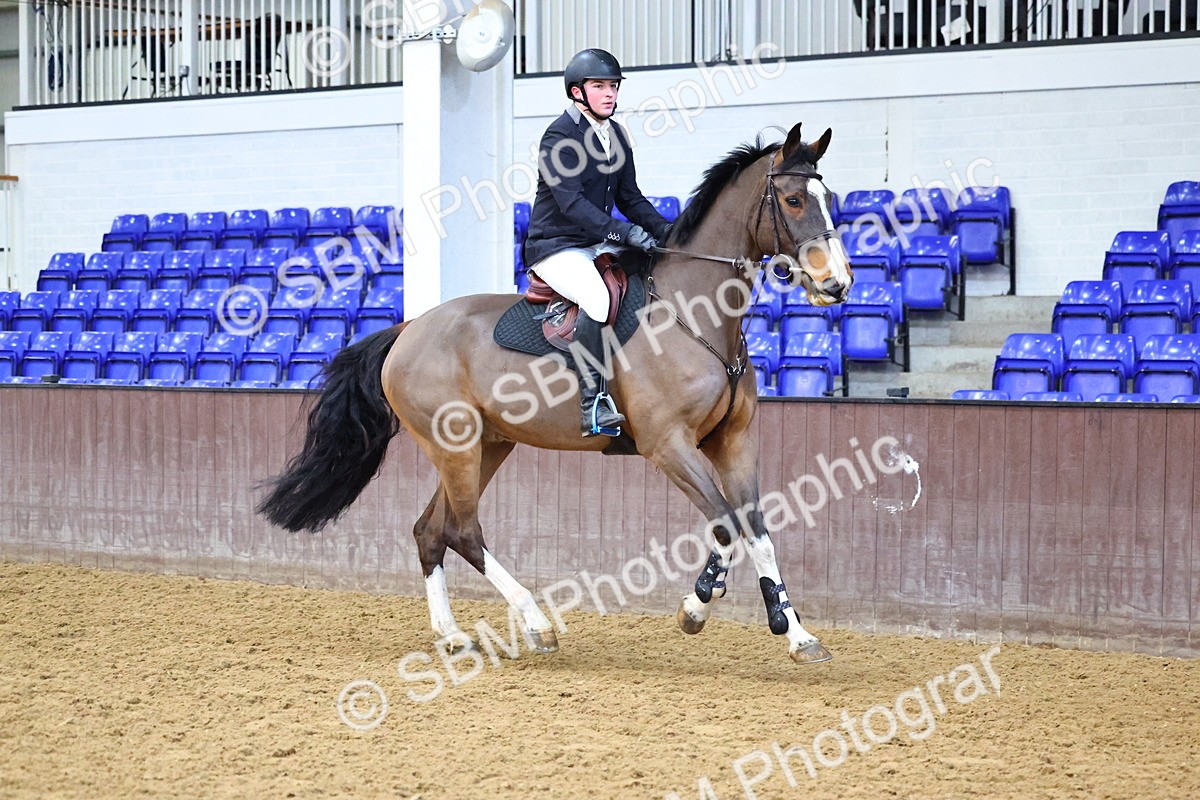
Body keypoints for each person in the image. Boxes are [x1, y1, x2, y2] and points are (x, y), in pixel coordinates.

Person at [523, 48, 673, 437]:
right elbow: (571, 204)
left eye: (613, 86)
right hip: (556, 246)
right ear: (577, 92)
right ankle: (592, 404)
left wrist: (667, 231)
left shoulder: (616, 134)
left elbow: (631, 197)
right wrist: (624, 233)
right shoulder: (559, 137)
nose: (609, 93)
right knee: (597, 297)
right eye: (599, 86)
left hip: (594, 244)